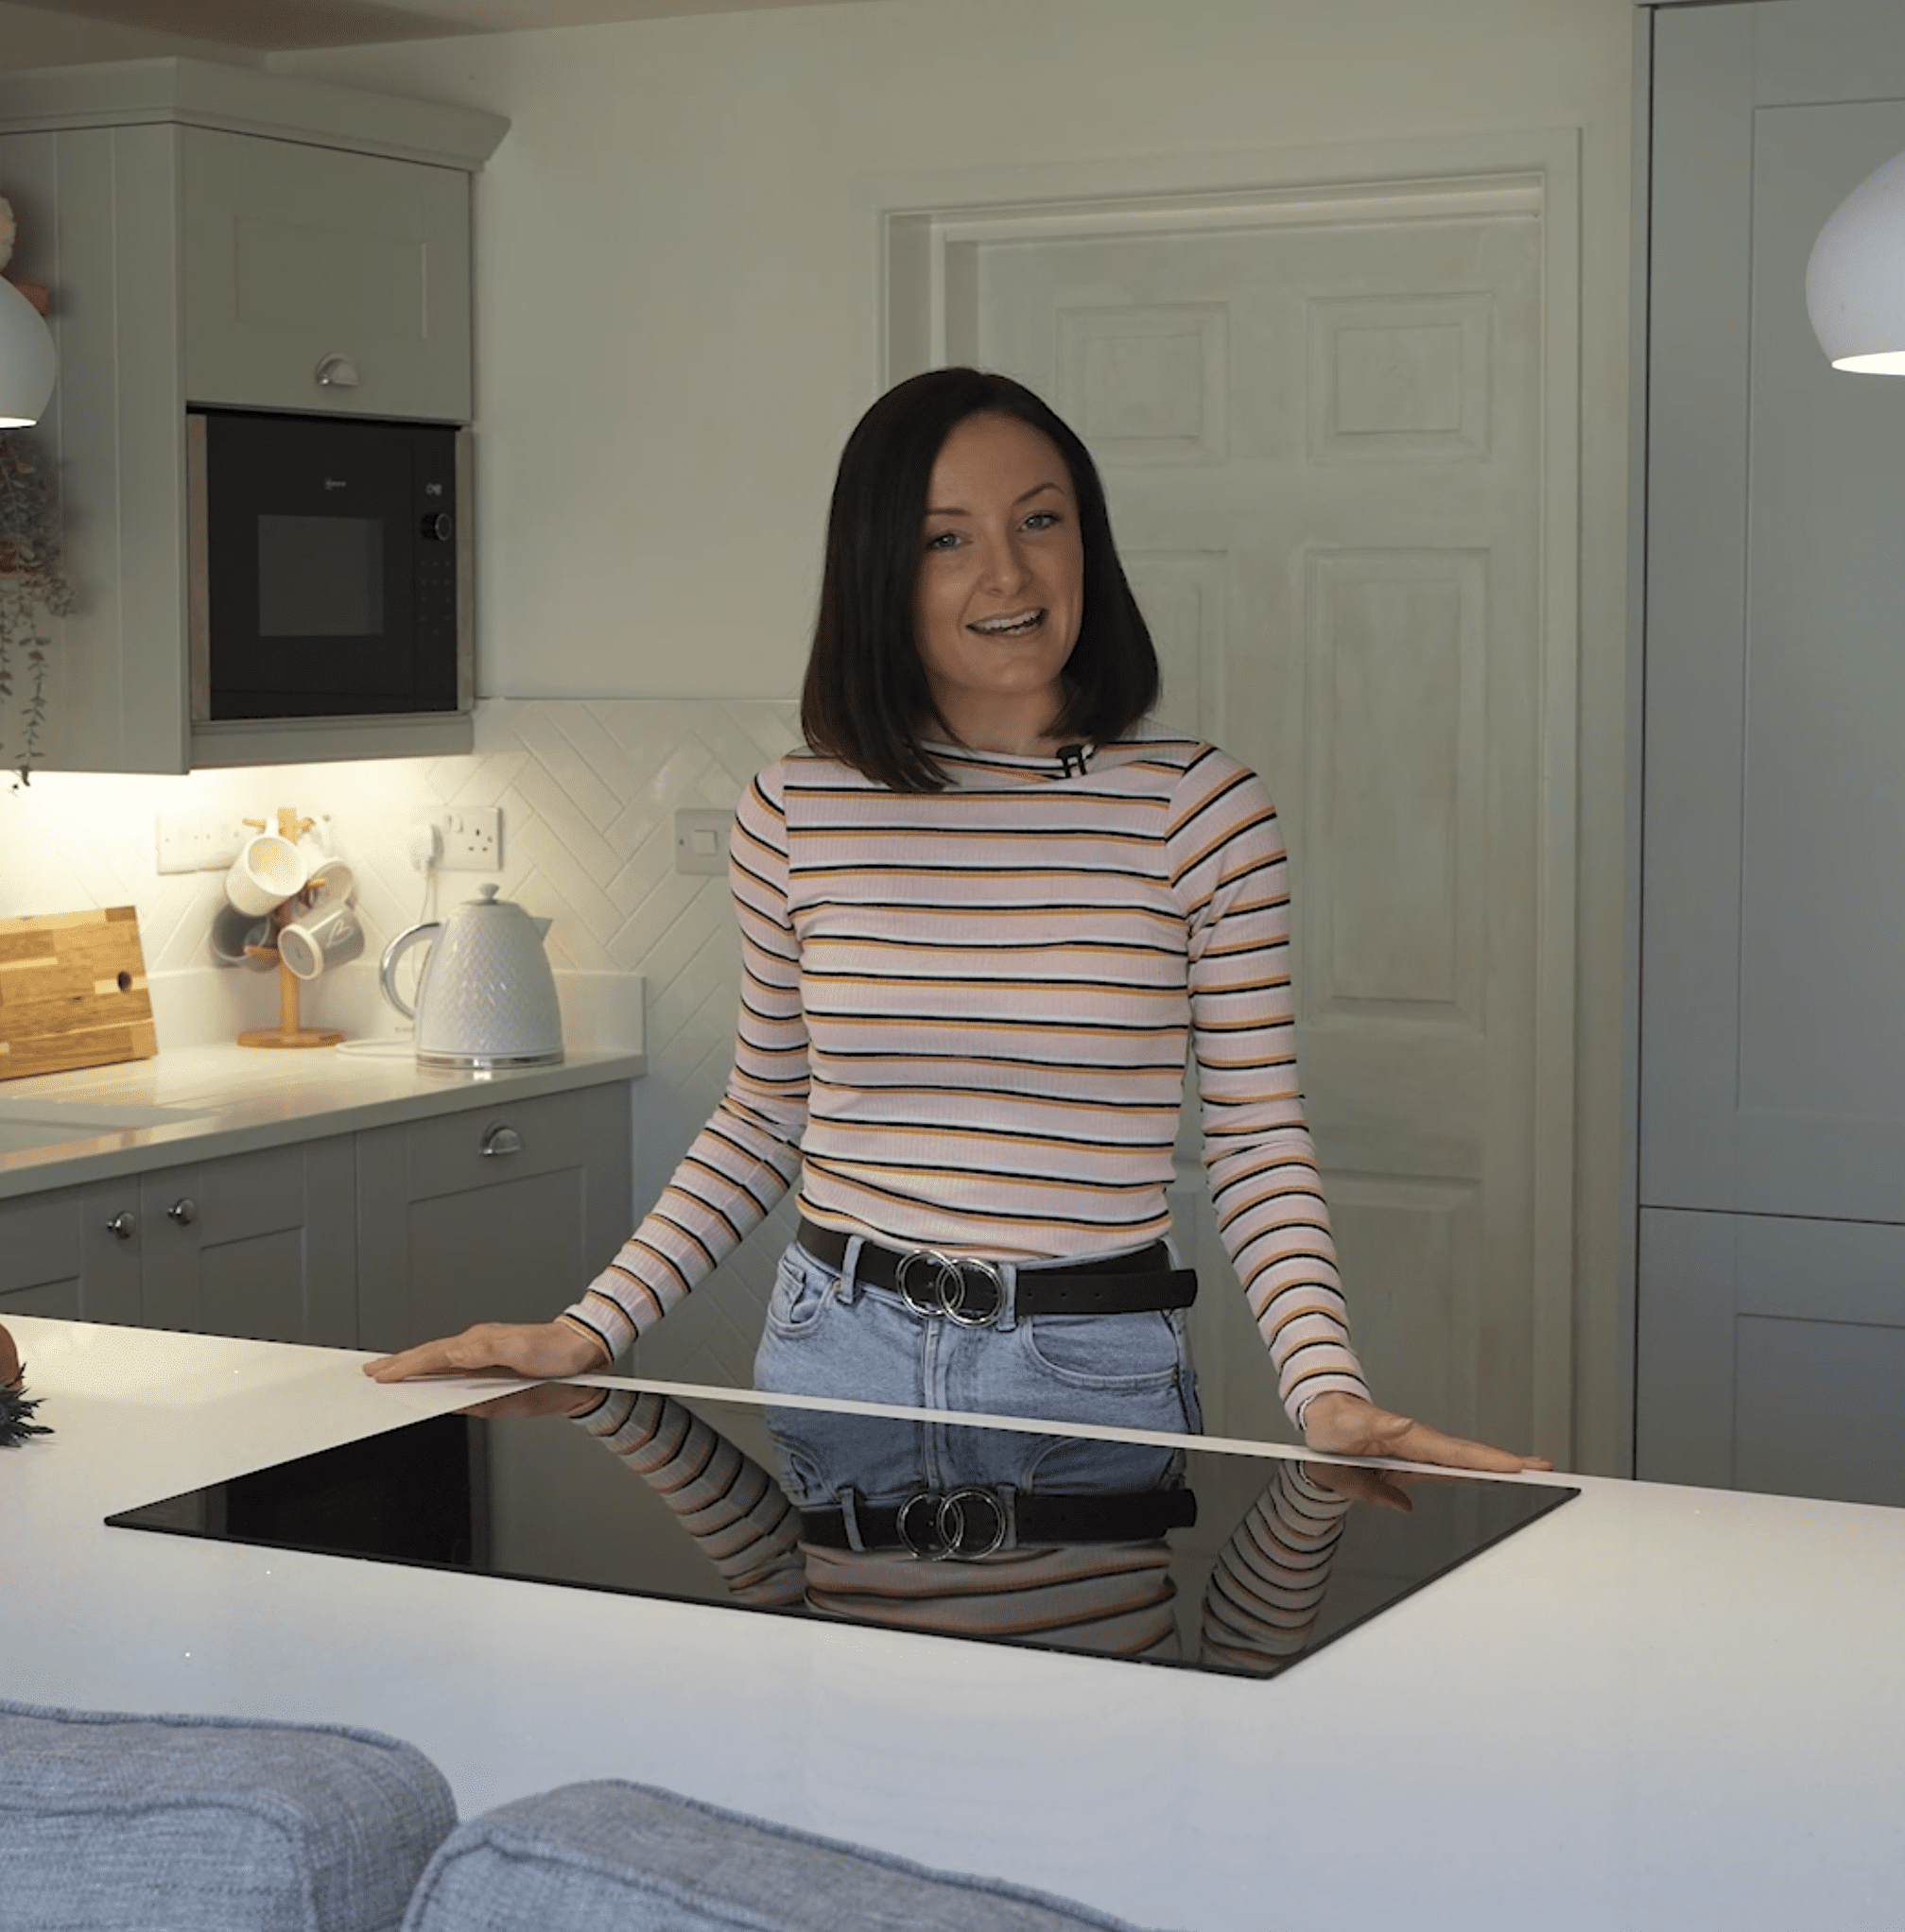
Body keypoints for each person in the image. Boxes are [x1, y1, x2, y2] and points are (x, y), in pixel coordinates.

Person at [366, 368, 1549, 1477]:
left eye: (1040, 521)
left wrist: (1323, 1390)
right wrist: (591, 1327)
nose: (1008, 576)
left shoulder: (1199, 810)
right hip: (834, 1348)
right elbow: (767, 1108)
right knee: (851, 1692)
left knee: (1091, 1690)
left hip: (1088, 1364)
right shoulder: (795, 808)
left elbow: (1252, 1138)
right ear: (881, 571)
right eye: (946, 539)